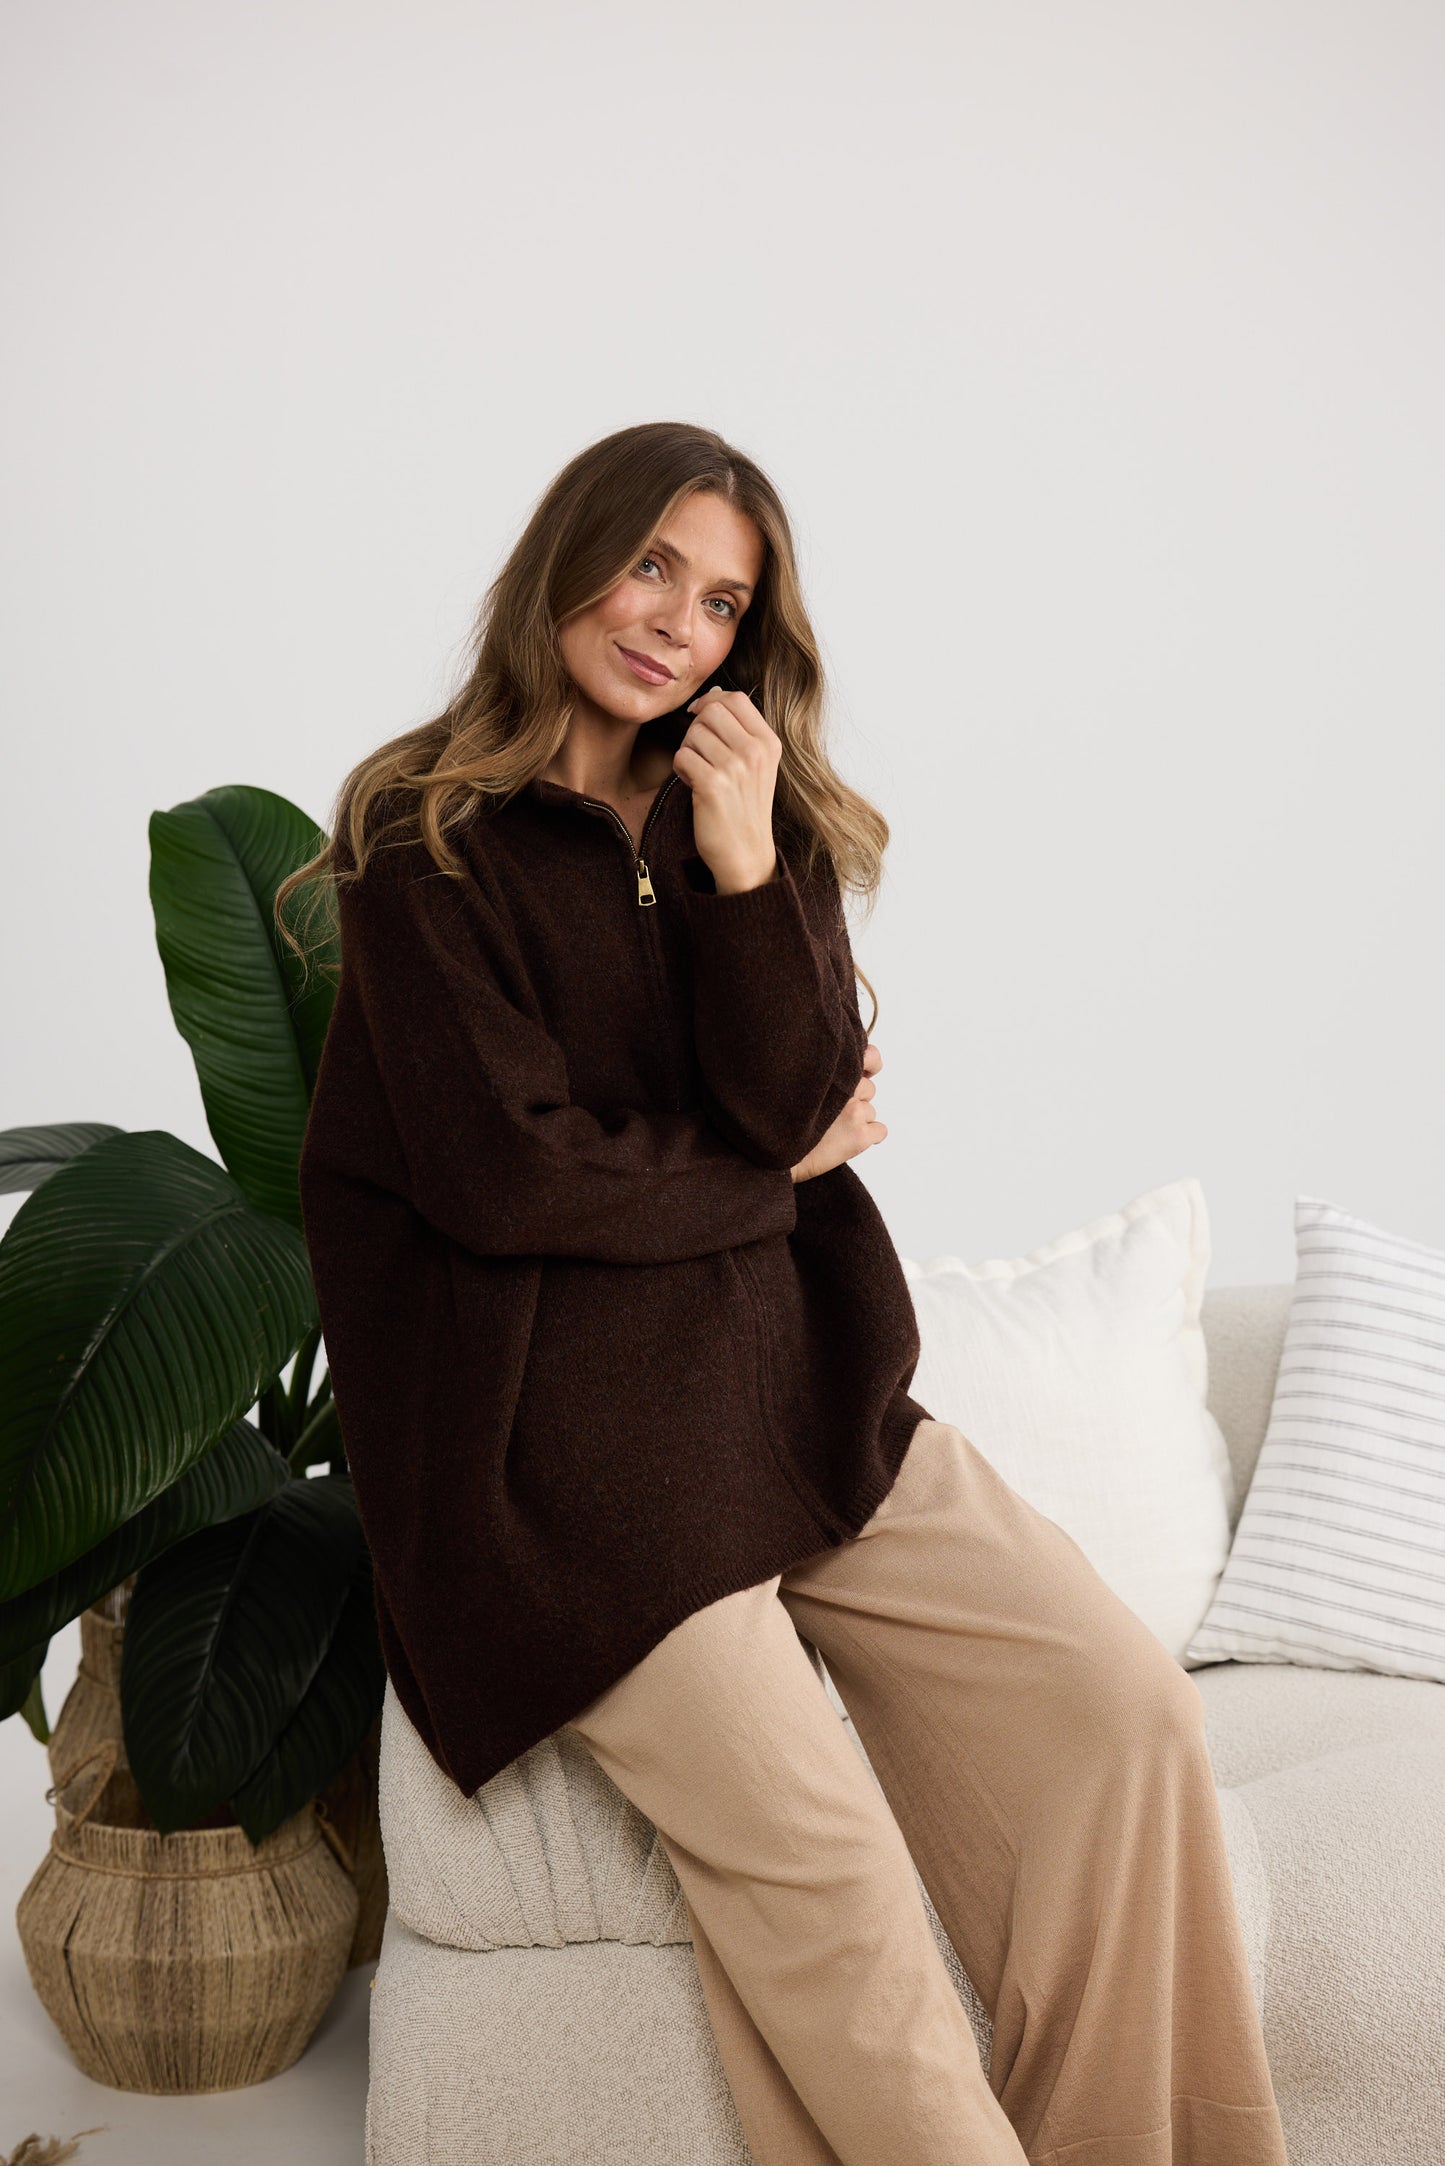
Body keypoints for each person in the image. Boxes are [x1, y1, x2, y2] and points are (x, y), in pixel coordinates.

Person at [284, 420, 1290, 2164]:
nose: (677, 619)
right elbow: (514, 1175)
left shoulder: (749, 814)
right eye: (653, 563)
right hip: (569, 1470)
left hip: (793, 1390)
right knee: (831, 1871)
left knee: (1120, 1711)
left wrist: (742, 866)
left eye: (723, 599)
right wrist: (774, 1173)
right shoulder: (418, 832)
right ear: (567, 560)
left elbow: (801, 1090)